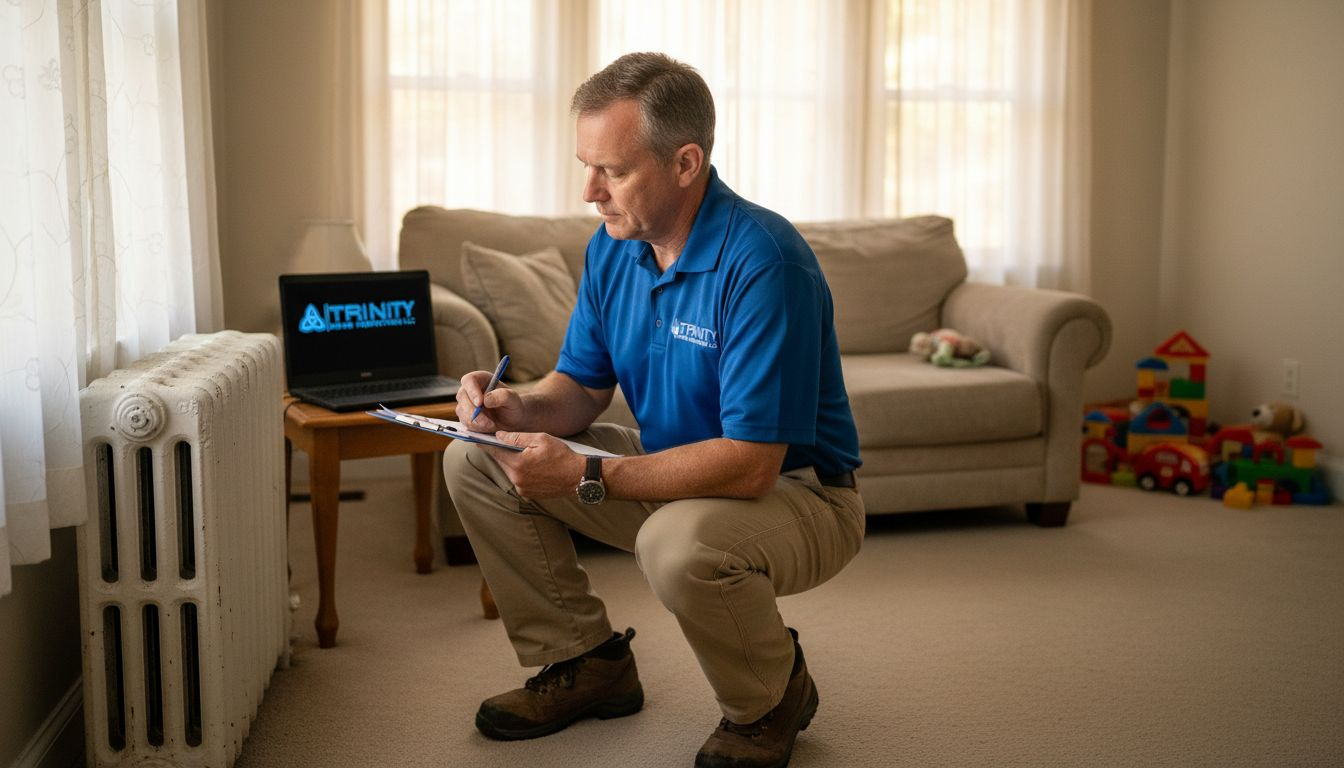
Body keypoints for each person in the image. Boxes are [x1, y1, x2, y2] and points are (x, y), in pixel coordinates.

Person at [442, 51, 864, 768]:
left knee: (677, 544)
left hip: (801, 493)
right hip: (678, 472)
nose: (589, 191)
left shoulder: (765, 261)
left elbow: (753, 466)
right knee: (475, 460)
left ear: (685, 162)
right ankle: (586, 662)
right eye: (587, 165)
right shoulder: (615, 247)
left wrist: (583, 475)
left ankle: (769, 701)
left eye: (612, 170)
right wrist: (516, 406)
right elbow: (579, 386)